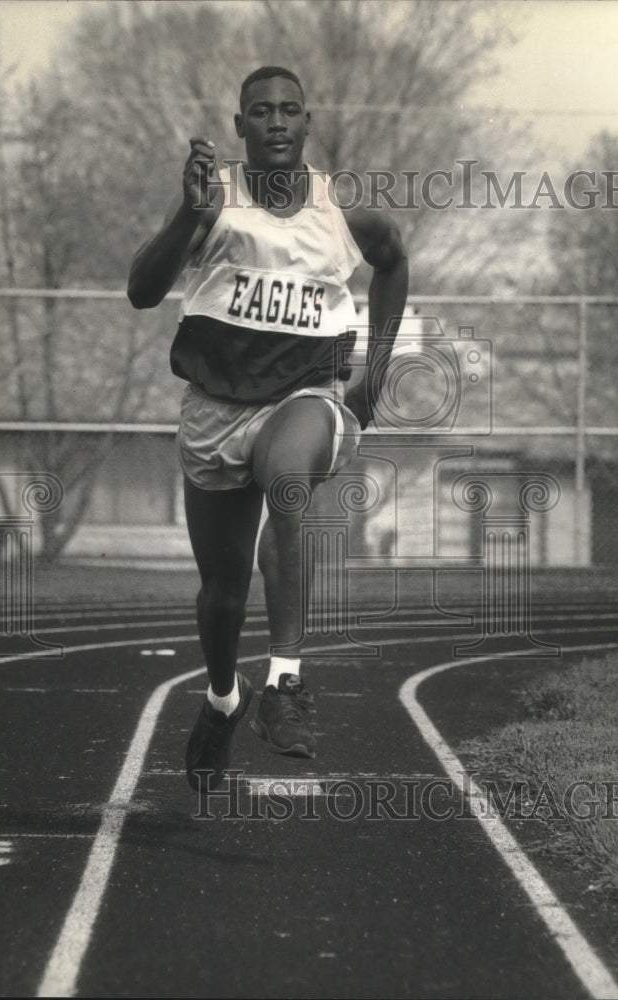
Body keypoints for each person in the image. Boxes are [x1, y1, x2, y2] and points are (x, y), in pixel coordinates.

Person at [128, 66, 408, 793]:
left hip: (304, 397)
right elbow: (141, 291)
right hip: (216, 411)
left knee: (288, 484)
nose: (277, 122)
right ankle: (225, 696)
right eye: (262, 112)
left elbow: (394, 258)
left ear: (308, 123)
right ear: (240, 125)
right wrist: (187, 217)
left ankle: (284, 684)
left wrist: (375, 370)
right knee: (222, 594)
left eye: (289, 111)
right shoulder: (213, 200)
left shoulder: (342, 210)